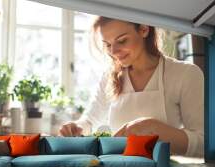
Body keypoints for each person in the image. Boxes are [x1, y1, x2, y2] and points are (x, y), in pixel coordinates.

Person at [59, 16, 204, 157]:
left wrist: (151, 127)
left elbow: (203, 143)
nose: (113, 52)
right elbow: (90, 120)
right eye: (108, 44)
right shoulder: (109, 77)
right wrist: (77, 127)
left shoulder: (185, 74)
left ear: (144, 29)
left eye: (122, 41)